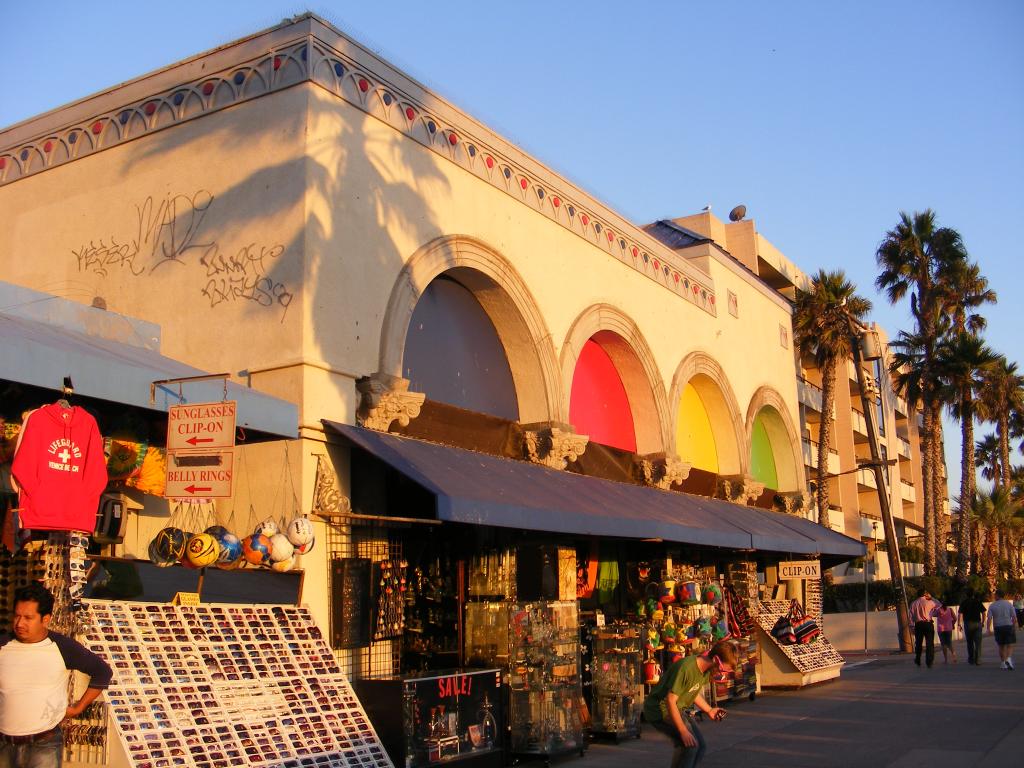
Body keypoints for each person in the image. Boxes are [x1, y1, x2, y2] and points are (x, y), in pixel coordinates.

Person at [0, 582, 112, 768]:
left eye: (28, 618)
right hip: (3, 744)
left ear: (46, 619)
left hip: (44, 745)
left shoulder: (62, 647)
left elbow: (102, 672)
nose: (20, 623)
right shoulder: (3, 644)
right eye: (17, 616)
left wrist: (78, 708)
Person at [643, 640, 737, 768]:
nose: (721, 674)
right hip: (659, 709)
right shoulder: (687, 669)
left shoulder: (705, 670)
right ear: (715, 659)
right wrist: (683, 730)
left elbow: (692, 691)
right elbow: (670, 700)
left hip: (677, 707)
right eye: (722, 670)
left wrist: (709, 710)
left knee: (701, 746)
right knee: (690, 746)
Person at [908, 588, 942, 668]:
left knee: (919, 643)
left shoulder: (913, 603)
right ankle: (929, 661)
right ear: (925, 594)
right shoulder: (929, 602)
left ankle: (918, 659)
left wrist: (911, 626)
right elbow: (939, 605)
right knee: (929, 643)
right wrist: (931, 598)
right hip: (928, 624)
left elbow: (910, 616)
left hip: (918, 625)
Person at [986, 589, 1017, 670]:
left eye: (995, 595)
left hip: (998, 627)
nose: (994, 596)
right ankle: (1008, 659)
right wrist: (1013, 626)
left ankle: (1003, 663)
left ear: (997, 595)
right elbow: (1014, 617)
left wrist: (988, 629)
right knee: (1010, 644)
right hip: (1008, 626)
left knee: (1001, 646)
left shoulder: (992, 605)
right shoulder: (1009, 604)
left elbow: (989, 618)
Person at [958, 589, 987, 665]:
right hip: (977, 623)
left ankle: (971, 659)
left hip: (968, 624)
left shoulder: (963, 603)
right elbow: (984, 612)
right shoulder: (978, 602)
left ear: (966, 595)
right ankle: (978, 660)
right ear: (973, 594)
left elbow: (960, 614)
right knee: (978, 643)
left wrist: (959, 624)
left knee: (969, 642)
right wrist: (983, 622)